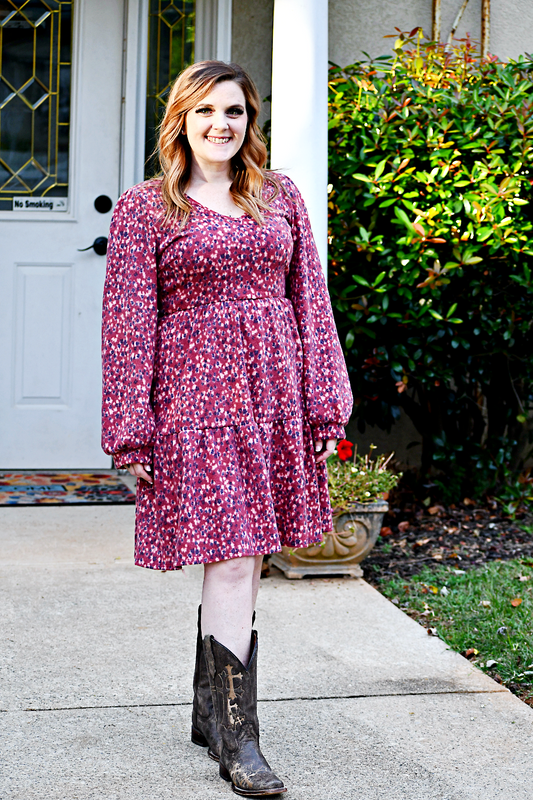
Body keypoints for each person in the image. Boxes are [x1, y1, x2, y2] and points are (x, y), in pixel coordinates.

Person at [101, 60, 352, 797]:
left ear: (250, 122)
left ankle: (211, 707)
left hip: (272, 394)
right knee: (234, 556)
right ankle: (239, 738)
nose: (222, 124)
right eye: (207, 110)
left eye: (235, 111)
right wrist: (130, 429)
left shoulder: (281, 198)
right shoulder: (146, 207)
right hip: (194, 402)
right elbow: (126, 326)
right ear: (181, 119)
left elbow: (311, 301)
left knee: (244, 556)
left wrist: (323, 402)